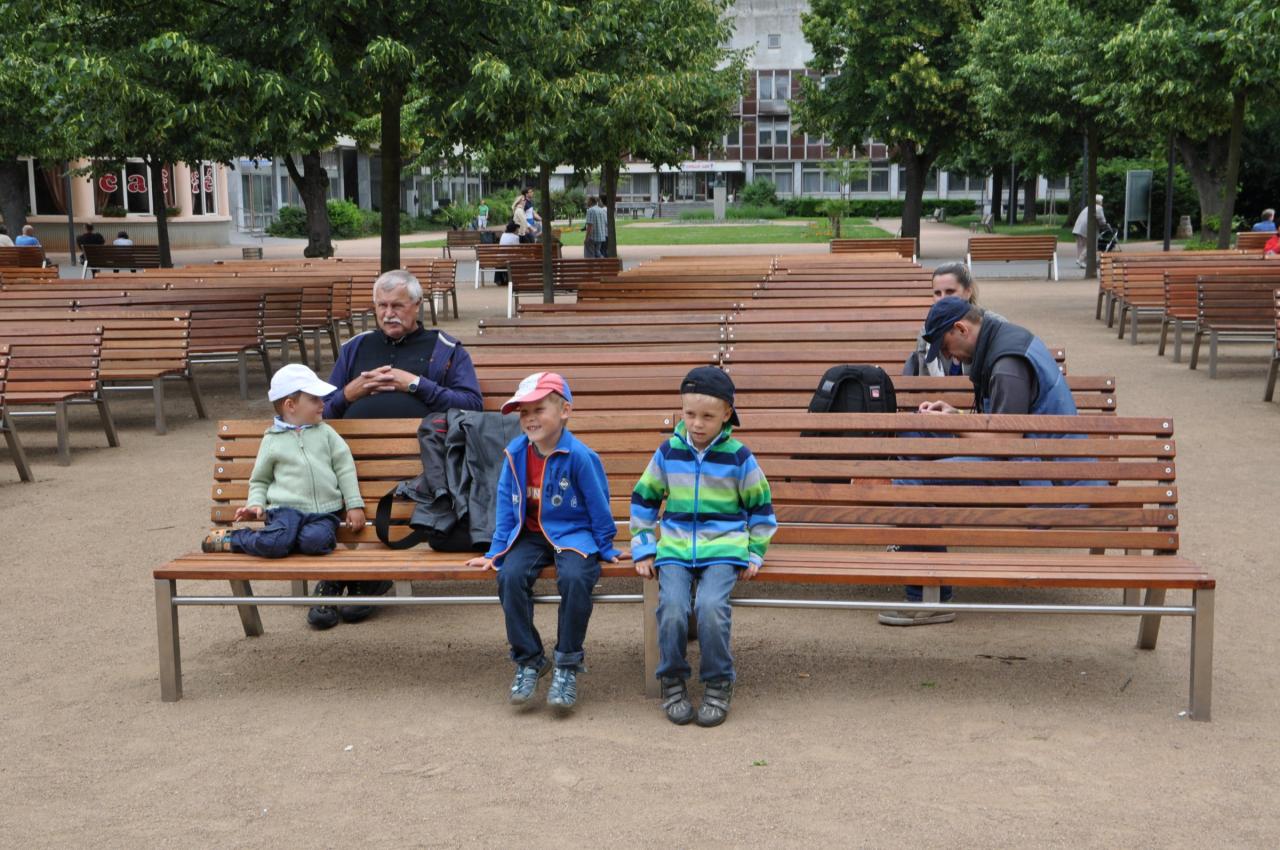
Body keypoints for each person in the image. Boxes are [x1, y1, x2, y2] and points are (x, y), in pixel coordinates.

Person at [878, 297, 1082, 627]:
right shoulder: (1000, 342)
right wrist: (954, 414)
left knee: (913, 479)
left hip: (1047, 479)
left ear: (961, 329)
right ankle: (917, 544)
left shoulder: (1007, 363)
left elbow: (1003, 443)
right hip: (1027, 460)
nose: (949, 357)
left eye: (946, 347)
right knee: (915, 434)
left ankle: (928, 596)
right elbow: (1003, 430)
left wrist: (954, 423)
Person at [320, 270, 482, 617]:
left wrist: (416, 384)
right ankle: (345, 575)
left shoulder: (445, 349)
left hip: (416, 470)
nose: (388, 313)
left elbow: (472, 407)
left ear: (417, 305)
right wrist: (350, 393)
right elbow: (320, 411)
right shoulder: (355, 348)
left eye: (397, 305)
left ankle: (359, 577)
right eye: (381, 306)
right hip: (352, 466)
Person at [631, 367, 777, 727]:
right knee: (673, 607)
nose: (697, 423)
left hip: (724, 548)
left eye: (708, 416)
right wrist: (645, 546)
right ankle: (672, 678)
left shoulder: (739, 457)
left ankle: (718, 681)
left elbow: (761, 508)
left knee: (710, 606)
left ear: (727, 413)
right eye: (690, 414)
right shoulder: (668, 452)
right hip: (676, 548)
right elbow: (644, 499)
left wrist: (755, 551)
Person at [466, 373, 620, 711]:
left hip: (574, 533)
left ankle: (567, 663)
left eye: (539, 409)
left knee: (576, 578)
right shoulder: (515, 453)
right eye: (524, 412)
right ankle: (530, 659)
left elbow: (599, 505)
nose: (530, 419)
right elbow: (506, 506)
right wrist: (496, 552)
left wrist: (605, 546)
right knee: (509, 576)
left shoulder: (580, 456)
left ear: (564, 411)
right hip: (532, 535)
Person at [201, 364, 368, 630]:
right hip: (285, 510)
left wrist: (354, 504)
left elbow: (345, 468)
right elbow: (260, 480)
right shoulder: (272, 440)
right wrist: (255, 505)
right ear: (291, 405)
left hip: (324, 512)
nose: (322, 404)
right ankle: (236, 539)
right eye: (314, 399)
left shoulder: (326, 433)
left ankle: (285, 539)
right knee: (277, 542)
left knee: (318, 542)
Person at [903, 263, 1004, 377]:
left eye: (950, 292)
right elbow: (924, 379)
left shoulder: (994, 325)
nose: (942, 299)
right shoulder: (928, 330)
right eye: (937, 293)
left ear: (968, 292)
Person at [1072, 195, 1105, 268]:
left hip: (1078, 228)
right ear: (1100, 201)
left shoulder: (1088, 207)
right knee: (1091, 245)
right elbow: (1102, 220)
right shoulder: (1099, 208)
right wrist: (1104, 224)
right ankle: (1081, 260)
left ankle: (1082, 261)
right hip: (1086, 229)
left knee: (1081, 246)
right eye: (1102, 201)